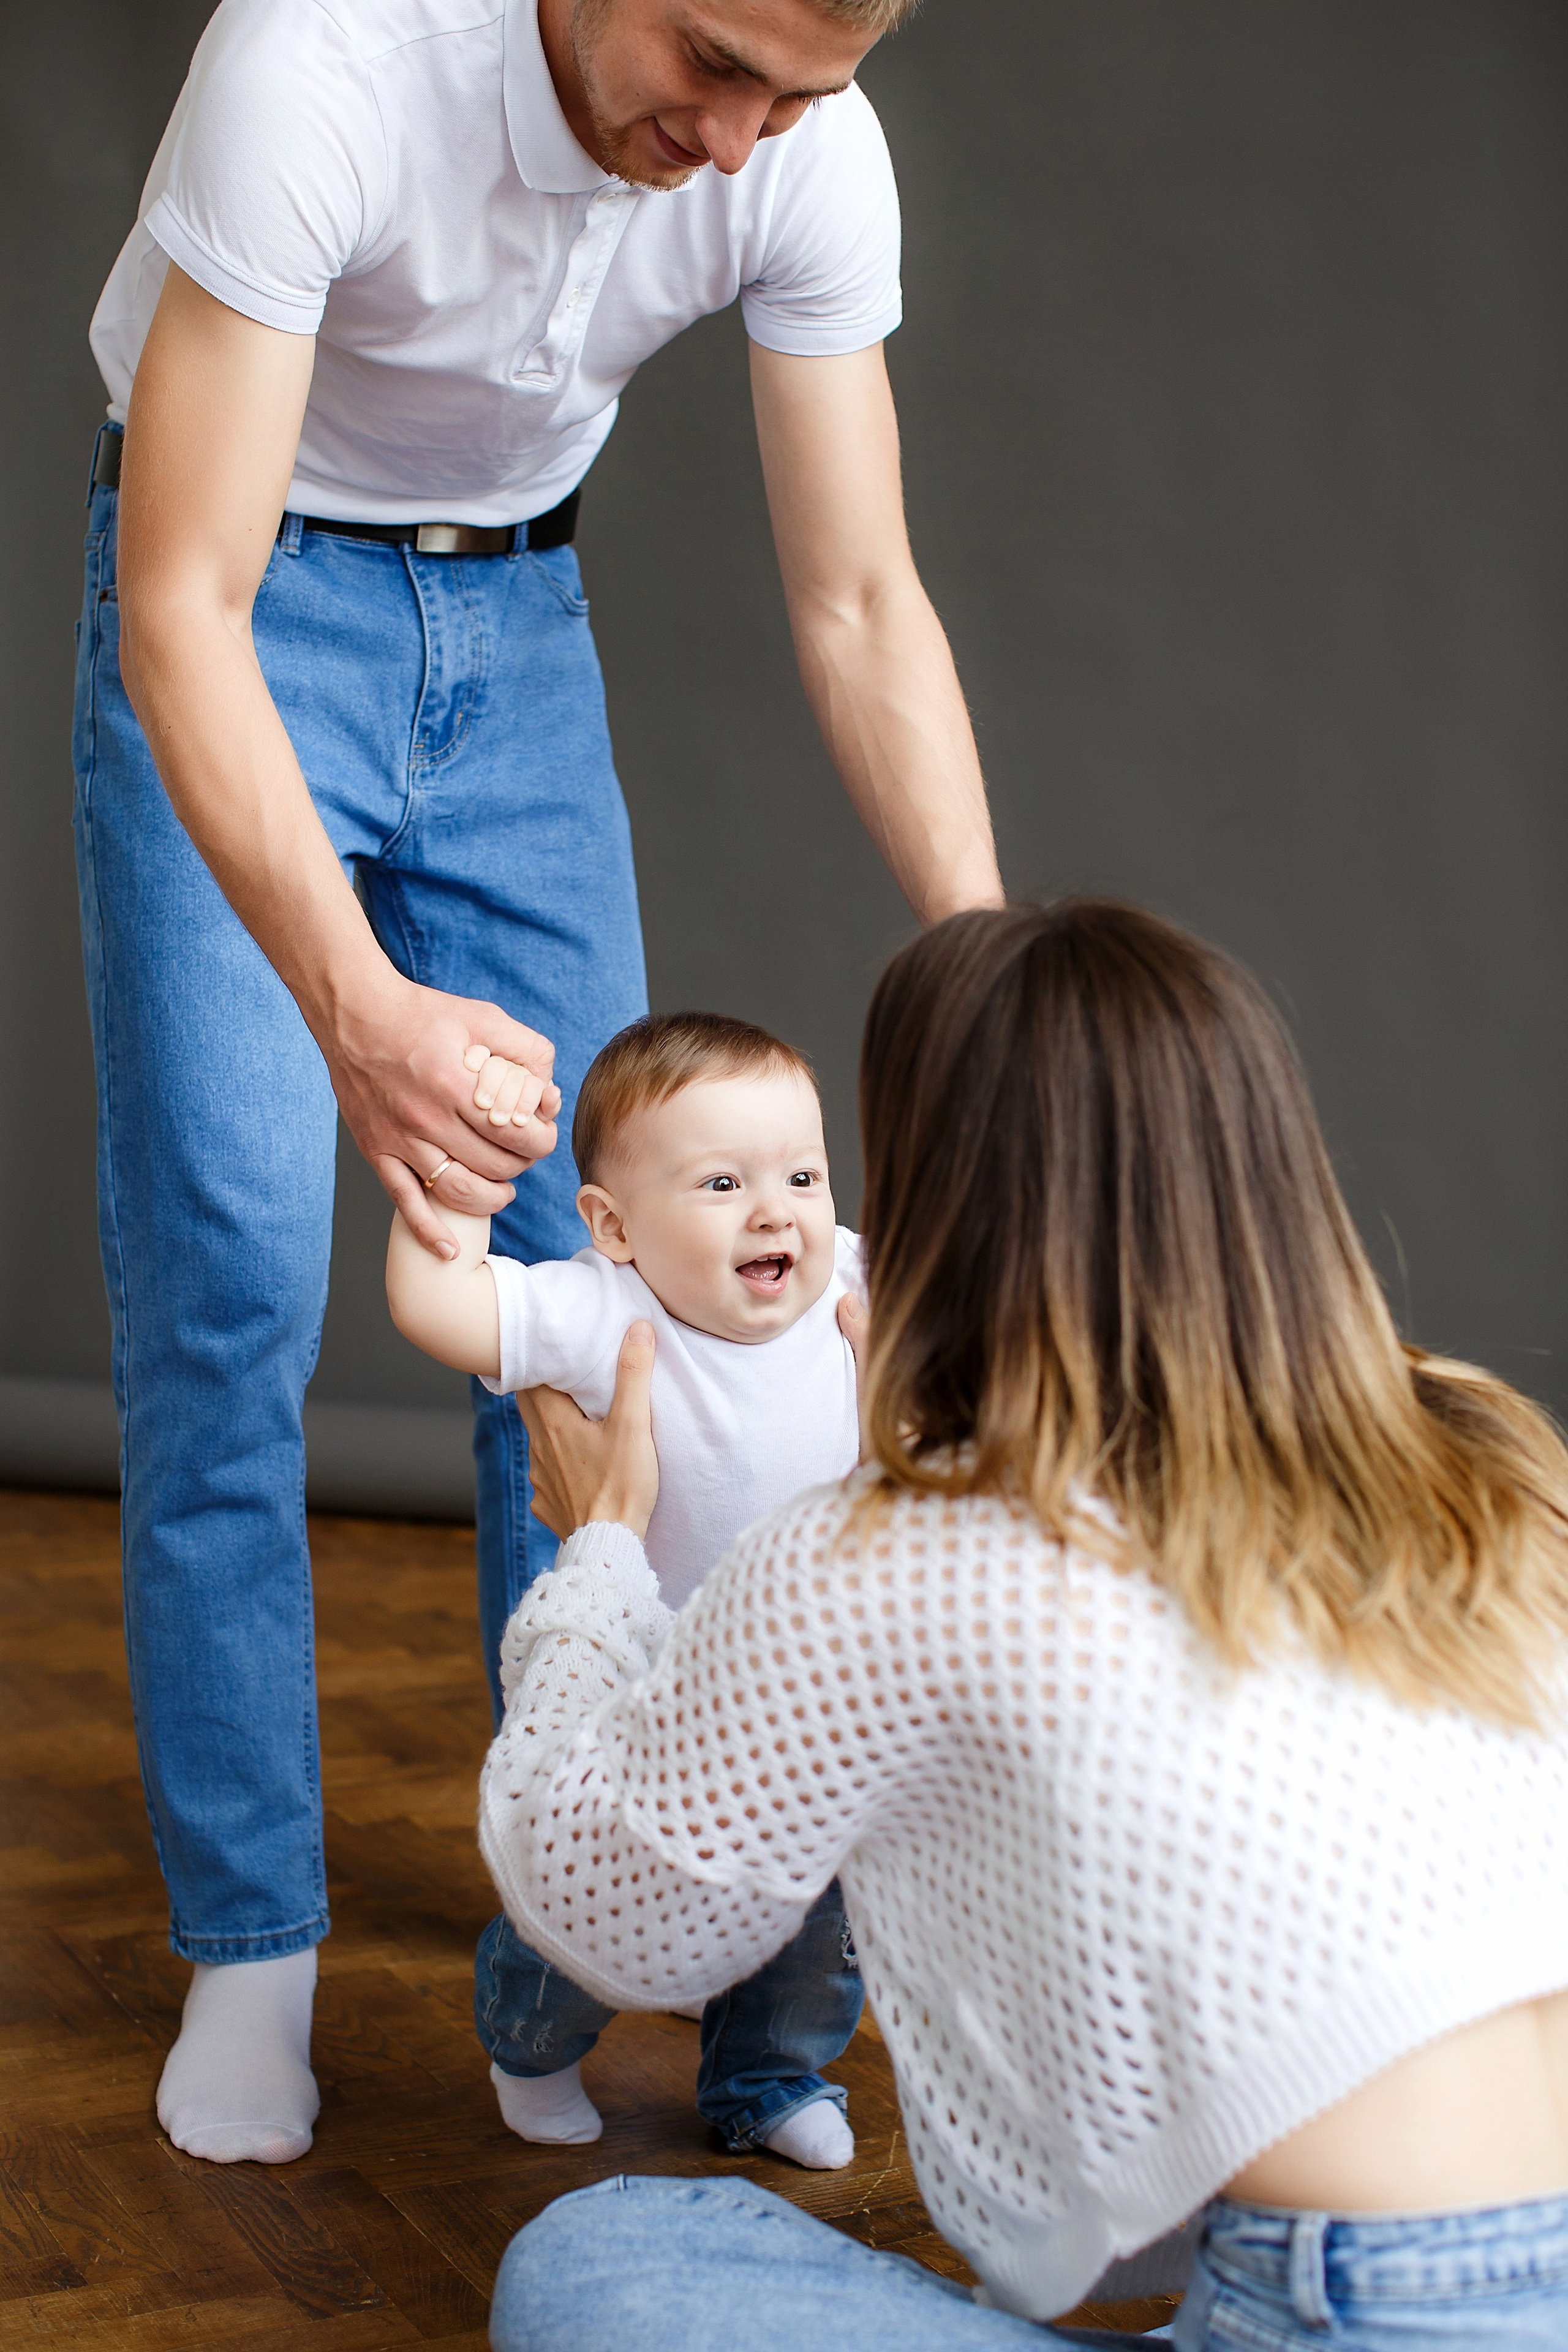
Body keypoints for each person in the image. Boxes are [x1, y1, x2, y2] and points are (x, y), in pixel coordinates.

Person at [73, 0, 1002, 2165]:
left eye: (802, 90)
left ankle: (560, 1934)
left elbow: (863, 604)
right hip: (239, 604)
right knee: (217, 1291)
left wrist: (988, 977)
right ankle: (250, 1944)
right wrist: (352, 1004)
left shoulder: (799, 140)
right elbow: (177, 605)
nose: (741, 133)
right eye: (713, 59)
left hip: (517, 643)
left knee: (622, 1288)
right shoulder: (324, 57)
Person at [479, 898, 1568, 2351]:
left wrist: (598, 1547)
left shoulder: (905, 1543)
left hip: (1365, 2309)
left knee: (599, 2264)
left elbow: (606, 1912)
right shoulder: (1478, 1442)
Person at [386, 1009, 865, 2163]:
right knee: (587, 1909)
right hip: (650, 1693)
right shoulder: (607, 1308)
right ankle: (530, 2044)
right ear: (613, 1226)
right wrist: (453, 1192)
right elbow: (438, 1306)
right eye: (721, 1183)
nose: (776, 1212)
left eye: (803, 1174)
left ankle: (767, 2079)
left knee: (818, 1925)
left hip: (817, 1692)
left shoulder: (852, 1278)